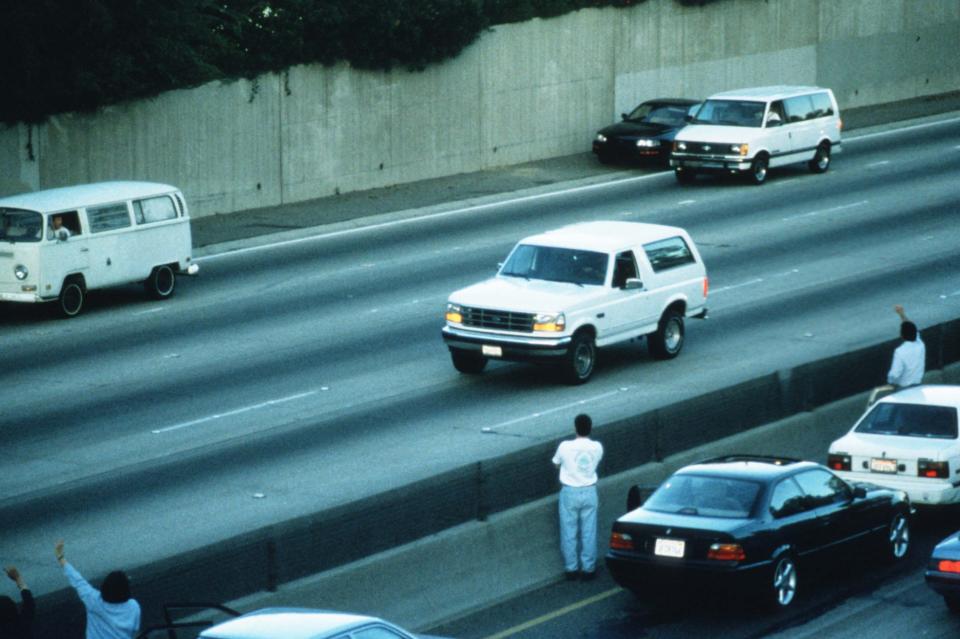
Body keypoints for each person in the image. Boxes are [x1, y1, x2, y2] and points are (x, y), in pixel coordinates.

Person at [552, 413, 604, 581]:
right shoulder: (597, 447)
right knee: (589, 532)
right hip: (589, 491)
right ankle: (588, 568)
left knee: (569, 532)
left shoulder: (564, 446)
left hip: (569, 492)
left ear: (575, 428)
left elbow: (556, 463)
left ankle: (571, 569)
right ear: (590, 428)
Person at [55, 541, 140, 639]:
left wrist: (60, 557)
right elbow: (134, 632)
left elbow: (77, 580)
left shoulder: (94, 600)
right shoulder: (134, 606)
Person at [887, 304, 925, 388]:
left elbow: (894, 374)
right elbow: (912, 328)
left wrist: (890, 381)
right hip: (918, 386)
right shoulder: (920, 345)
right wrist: (902, 314)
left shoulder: (900, 351)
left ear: (902, 335)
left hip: (904, 389)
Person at [1, 566, 34, 639]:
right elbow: (29, 603)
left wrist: (17, 578)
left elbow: (29, 603)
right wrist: (17, 578)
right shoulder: (22, 625)